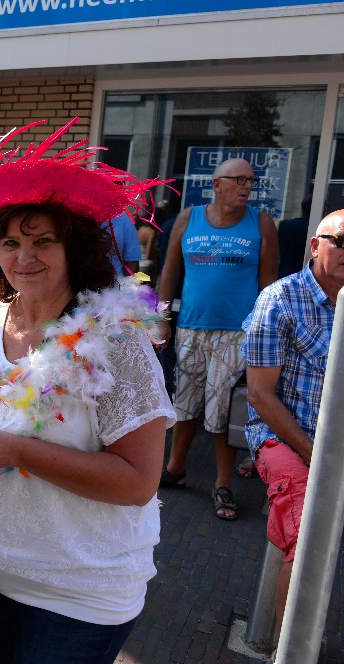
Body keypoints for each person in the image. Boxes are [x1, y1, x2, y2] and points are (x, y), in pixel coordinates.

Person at [0, 117, 175, 663]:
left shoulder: (116, 341)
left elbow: (138, 481)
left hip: (79, 596)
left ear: (74, 248)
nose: (24, 257)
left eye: (42, 241)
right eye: (10, 242)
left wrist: (21, 451)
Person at [243, 208, 343, 652]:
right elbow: (260, 396)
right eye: (340, 241)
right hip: (285, 437)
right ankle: (291, 652)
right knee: (308, 539)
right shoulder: (281, 299)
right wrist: (317, 453)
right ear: (315, 245)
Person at [157, 158, 278, 521]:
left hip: (236, 332)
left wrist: (263, 332)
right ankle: (175, 469)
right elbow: (168, 273)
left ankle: (222, 482)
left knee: (222, 408)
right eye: (239, 179)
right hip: (191, 327)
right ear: (217, 183)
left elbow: (269, 284)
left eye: (250, 181)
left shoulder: (261, 223)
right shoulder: (188, 218)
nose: (246, 186)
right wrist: (160, 319)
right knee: (186, 402)